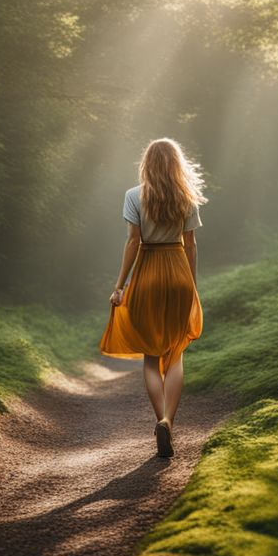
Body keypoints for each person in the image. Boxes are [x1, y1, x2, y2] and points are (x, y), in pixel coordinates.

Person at [100, 137, 206, 458]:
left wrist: (120, 285)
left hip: (147, 274)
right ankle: (168, 422)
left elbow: (133, 242)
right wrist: (192, 285)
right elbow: (191, 245)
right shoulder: (186, 197)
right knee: (175, 354)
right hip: (177, 273)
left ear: (147, 163)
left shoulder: (134, 196)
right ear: (177, 163)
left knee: (150, 355)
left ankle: (158, 416)